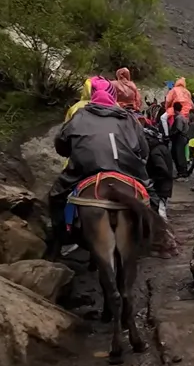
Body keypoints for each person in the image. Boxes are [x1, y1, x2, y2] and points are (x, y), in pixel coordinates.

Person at [45, 80, 150, 258]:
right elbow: (143, 149)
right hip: (125, 168)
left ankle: (61, 239)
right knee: (148, 193)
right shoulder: (128, 117)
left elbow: (61, 145)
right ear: (113, 95)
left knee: (56, 196)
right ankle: (152, 236)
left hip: (85, 168)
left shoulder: (78, 114)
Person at [142, 120, 176, 219]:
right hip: (165, 185)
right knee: (161, 208)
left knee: (160, 211)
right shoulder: (161, 147)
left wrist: (153, 180)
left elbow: (162, 168)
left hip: (160, 187)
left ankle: (163, 227)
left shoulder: (155, 152)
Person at [169, 102, 191, 177]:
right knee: (178, 154)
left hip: (180, 138)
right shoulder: (182, 117)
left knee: (179, 155)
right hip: (183, 137)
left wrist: (171, 135)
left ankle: (182, 172)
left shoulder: (178, 118)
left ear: (174, 109)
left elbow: (178, 129)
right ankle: (182, 171)